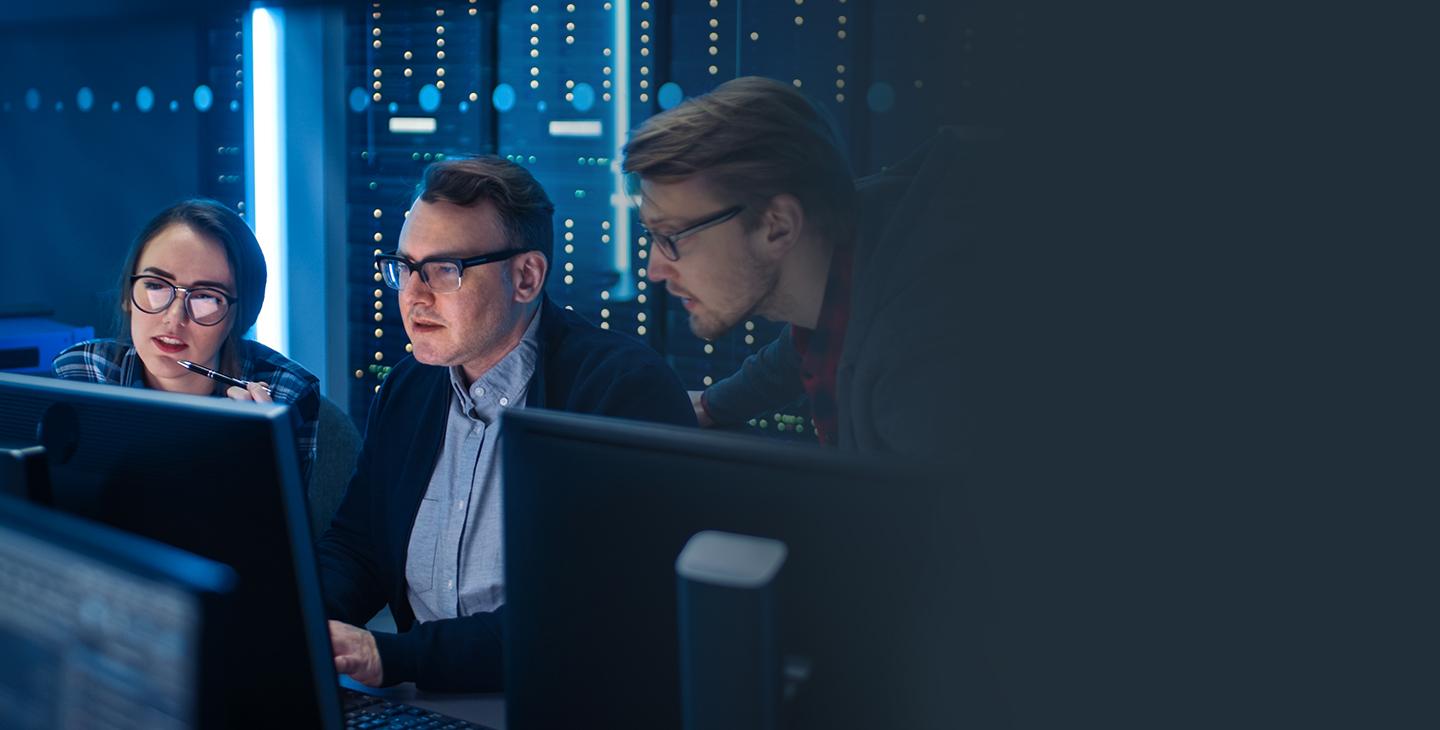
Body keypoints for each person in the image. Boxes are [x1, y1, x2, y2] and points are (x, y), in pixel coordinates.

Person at [317, 156, 695, 692]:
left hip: (562, 704)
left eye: (444, 270)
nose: (413, 295)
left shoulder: (620, 392)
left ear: (526, 277)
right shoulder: (408, 388)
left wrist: (393, 656)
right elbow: (358, 546)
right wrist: (306, 619)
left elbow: (590, 616)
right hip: (427, 697)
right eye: (404, 267)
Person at [622, 76, 981, 456]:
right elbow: (792, 355)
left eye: (672, 237)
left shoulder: (923, 365)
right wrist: (711, 404)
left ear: (777, 227)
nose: (654, 269)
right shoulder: (858, 254)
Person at [53, 198, 320, 480]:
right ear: (126, 296)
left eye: (206, 297)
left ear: (240, 317)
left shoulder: (285, 394)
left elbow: (277, 522)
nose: (174, 318)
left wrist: (256, 458)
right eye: (155, 286)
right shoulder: (84, 372)